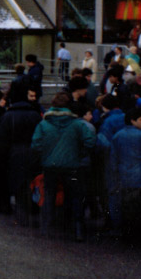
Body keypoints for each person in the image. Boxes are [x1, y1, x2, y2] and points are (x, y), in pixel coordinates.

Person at [32, 92, 96, 240]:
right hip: (72, 164)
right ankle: (77, 228)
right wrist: (80, 153)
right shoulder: (77, 124)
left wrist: (45, 154)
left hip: (49, 165)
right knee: (75, 195)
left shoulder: (44, 124)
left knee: (49, 194)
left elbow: (35, 144)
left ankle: (47, 228)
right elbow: (90, 142)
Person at [107, 107, 141, 245]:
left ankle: (127, 235)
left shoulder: (117, 136)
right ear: (133, 121)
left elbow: (113, 159)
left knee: (127, 207)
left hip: (125, 176)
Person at [0, 88, 44, 224]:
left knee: (18, 183)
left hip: (15, 153)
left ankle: (21, 215)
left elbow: (2, 139)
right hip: (32, 151)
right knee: (32, 182)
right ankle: (34, 211)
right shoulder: (35, 115)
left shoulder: (7, 116)